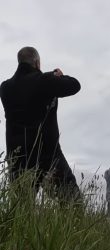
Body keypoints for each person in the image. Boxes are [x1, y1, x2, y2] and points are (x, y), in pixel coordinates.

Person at [0, 46, 81, 200]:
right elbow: (75, 85)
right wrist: (59, 76)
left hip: (18, 158)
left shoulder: (5, 87)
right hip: (47, 156)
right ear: (37, 62)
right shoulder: (44, 80)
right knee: (72, 203)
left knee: (21, 209)